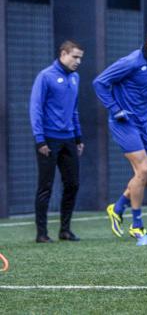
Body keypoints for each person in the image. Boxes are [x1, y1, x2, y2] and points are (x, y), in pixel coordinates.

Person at [95, 24, 147, 239]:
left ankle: (118, 207)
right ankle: (136, 224)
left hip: (142, 124)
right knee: (143, 171)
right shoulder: (131, 62)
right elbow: (100, 82)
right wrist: (115, 109)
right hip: (124, 123)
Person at [30, 41, 84, 243]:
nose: (78, 61)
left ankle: (65, 230)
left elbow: (74, 109)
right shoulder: (45, 76)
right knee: (45, 186)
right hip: (48, 140)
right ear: (63, 54)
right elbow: (35, 109)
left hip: (69, 139)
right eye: (75, 57)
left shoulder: (75, 78)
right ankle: (41, 234)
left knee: (73, 184)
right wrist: (39, 139)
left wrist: (78, 137)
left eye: (80, 58)